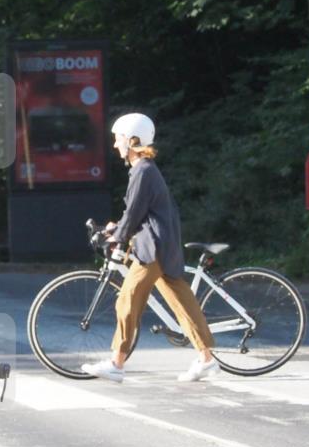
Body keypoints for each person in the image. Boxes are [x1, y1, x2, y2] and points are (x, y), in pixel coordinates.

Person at [82, 113, 218, 383]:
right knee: (183, 303)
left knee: (127, 299)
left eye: (118, 139)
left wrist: (116, 236)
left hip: (152, 248)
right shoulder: (144, 170)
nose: (115, 145)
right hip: (161, 244)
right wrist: (117, 227)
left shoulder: (143, 170)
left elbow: (134, 214)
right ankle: (206, 359)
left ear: (132, 140)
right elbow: (138, 212)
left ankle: (116, 363)